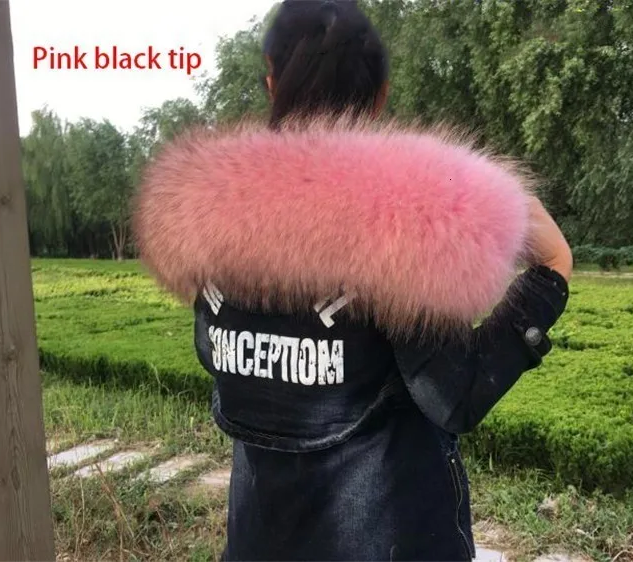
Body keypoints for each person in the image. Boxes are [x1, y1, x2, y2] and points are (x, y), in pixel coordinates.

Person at [133, 1, 572, 560]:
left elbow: (215, 355)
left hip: (257, 542)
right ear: (381, 96)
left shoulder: (212, 226)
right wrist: (551, 274)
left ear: (271, 83)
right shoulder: (402, 227)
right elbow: (456, 396)